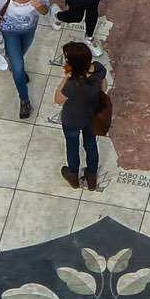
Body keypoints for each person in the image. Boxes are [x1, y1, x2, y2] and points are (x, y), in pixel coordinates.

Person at [0, 0, 52, 119]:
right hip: (10, 33)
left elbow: (45, 11)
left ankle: (13, 63)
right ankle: (24, 99)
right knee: (19, 66)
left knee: (20, 54)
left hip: (29, 30)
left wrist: (39, 6)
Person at [54, 41, 107, 189]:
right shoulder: (99, 69)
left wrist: (65, 78)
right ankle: (91, 177)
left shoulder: (72, 83)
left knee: (72, 146)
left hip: (72, 119)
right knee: (90, 144)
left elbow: (58, 100)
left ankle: (73, 176)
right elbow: (104, 87)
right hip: (92, 116)